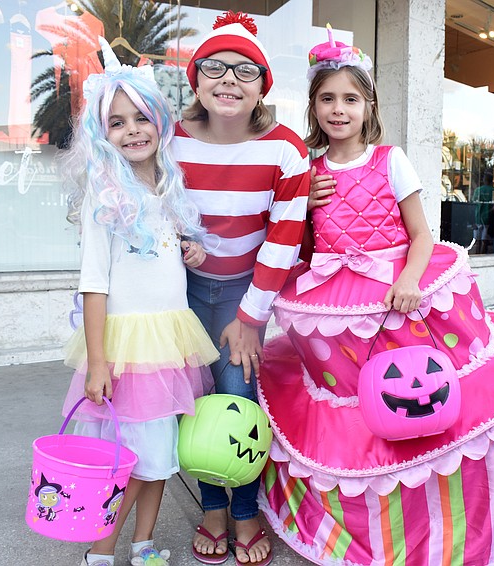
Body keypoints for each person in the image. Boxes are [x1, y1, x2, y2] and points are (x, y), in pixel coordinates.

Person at [256, 31, 494, 565]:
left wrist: (410, 280)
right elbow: (301, 244)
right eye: (327, 98)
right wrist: (301, 199)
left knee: (417, 378)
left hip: (401, 289)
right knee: (353, 396)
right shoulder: (309, 172)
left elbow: (422, 234)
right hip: (337, 291)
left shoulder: (390, 159)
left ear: (369, 105)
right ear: (313, 105)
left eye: (350, 99)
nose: (339, 109)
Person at [59, 39, 220, 566]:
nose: (132, 131)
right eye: (117, 123)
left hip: (169, 343)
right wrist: (100, 360)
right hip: (126, 348)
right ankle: (100, 554)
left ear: (160, 122)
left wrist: (190, 249)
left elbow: (168, 253)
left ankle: (144, 546)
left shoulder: (167, 190)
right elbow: (94, 284)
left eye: (141, 118)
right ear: (101, 136)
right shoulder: (105, 198)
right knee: (127, 461)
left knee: (160, 460)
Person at [172, 11, 310, 566]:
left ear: (262, 87)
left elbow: (283, 238)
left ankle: (246, 507)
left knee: (237, 398)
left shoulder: (285, 149)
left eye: (245, 71)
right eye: (215, 67)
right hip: (178, 291)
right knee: (193, 398)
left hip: (242, 295)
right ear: (196, 79)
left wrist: (251, 318)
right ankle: (212, 506)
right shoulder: (170, 140)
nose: (229, 79)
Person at [471, 170, 494, 253]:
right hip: (488, 218)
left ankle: (477, 254)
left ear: (484, 180)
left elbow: (473, 201)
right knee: (485, 240)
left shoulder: (478, 190)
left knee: (477, 239)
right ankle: (483, 254)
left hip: (478, 217)